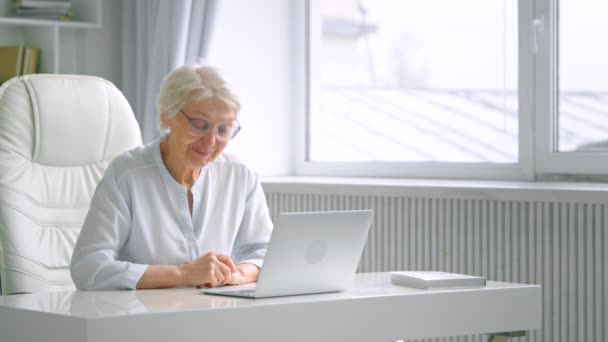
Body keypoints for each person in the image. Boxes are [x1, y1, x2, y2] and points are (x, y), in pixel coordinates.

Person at [70, 65, 273, 290]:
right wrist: (182, 274)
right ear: (167, 115)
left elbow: (268, 252)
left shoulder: (241, 175)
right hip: (141, 316)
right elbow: (88, 267)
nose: (210, 142)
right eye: (199, 125)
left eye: (223, 129)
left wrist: (236, 274)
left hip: (215, 313)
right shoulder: (127, 175)